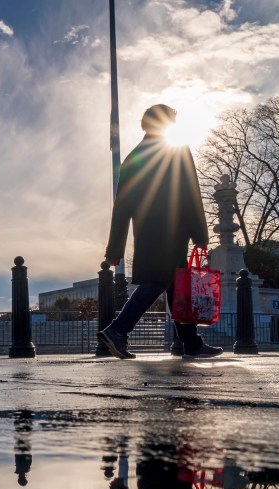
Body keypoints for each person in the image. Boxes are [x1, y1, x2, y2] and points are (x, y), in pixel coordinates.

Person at [98, 104, 223, 360]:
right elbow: (191, 193)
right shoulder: (177, 148)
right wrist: (200, 235)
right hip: (173, 230)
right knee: (158, 281)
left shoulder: (132, 158)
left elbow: (121, 206)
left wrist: (115, 249)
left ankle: (191, 343)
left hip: (146, 232)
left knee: (175, 285)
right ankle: (118, 330)